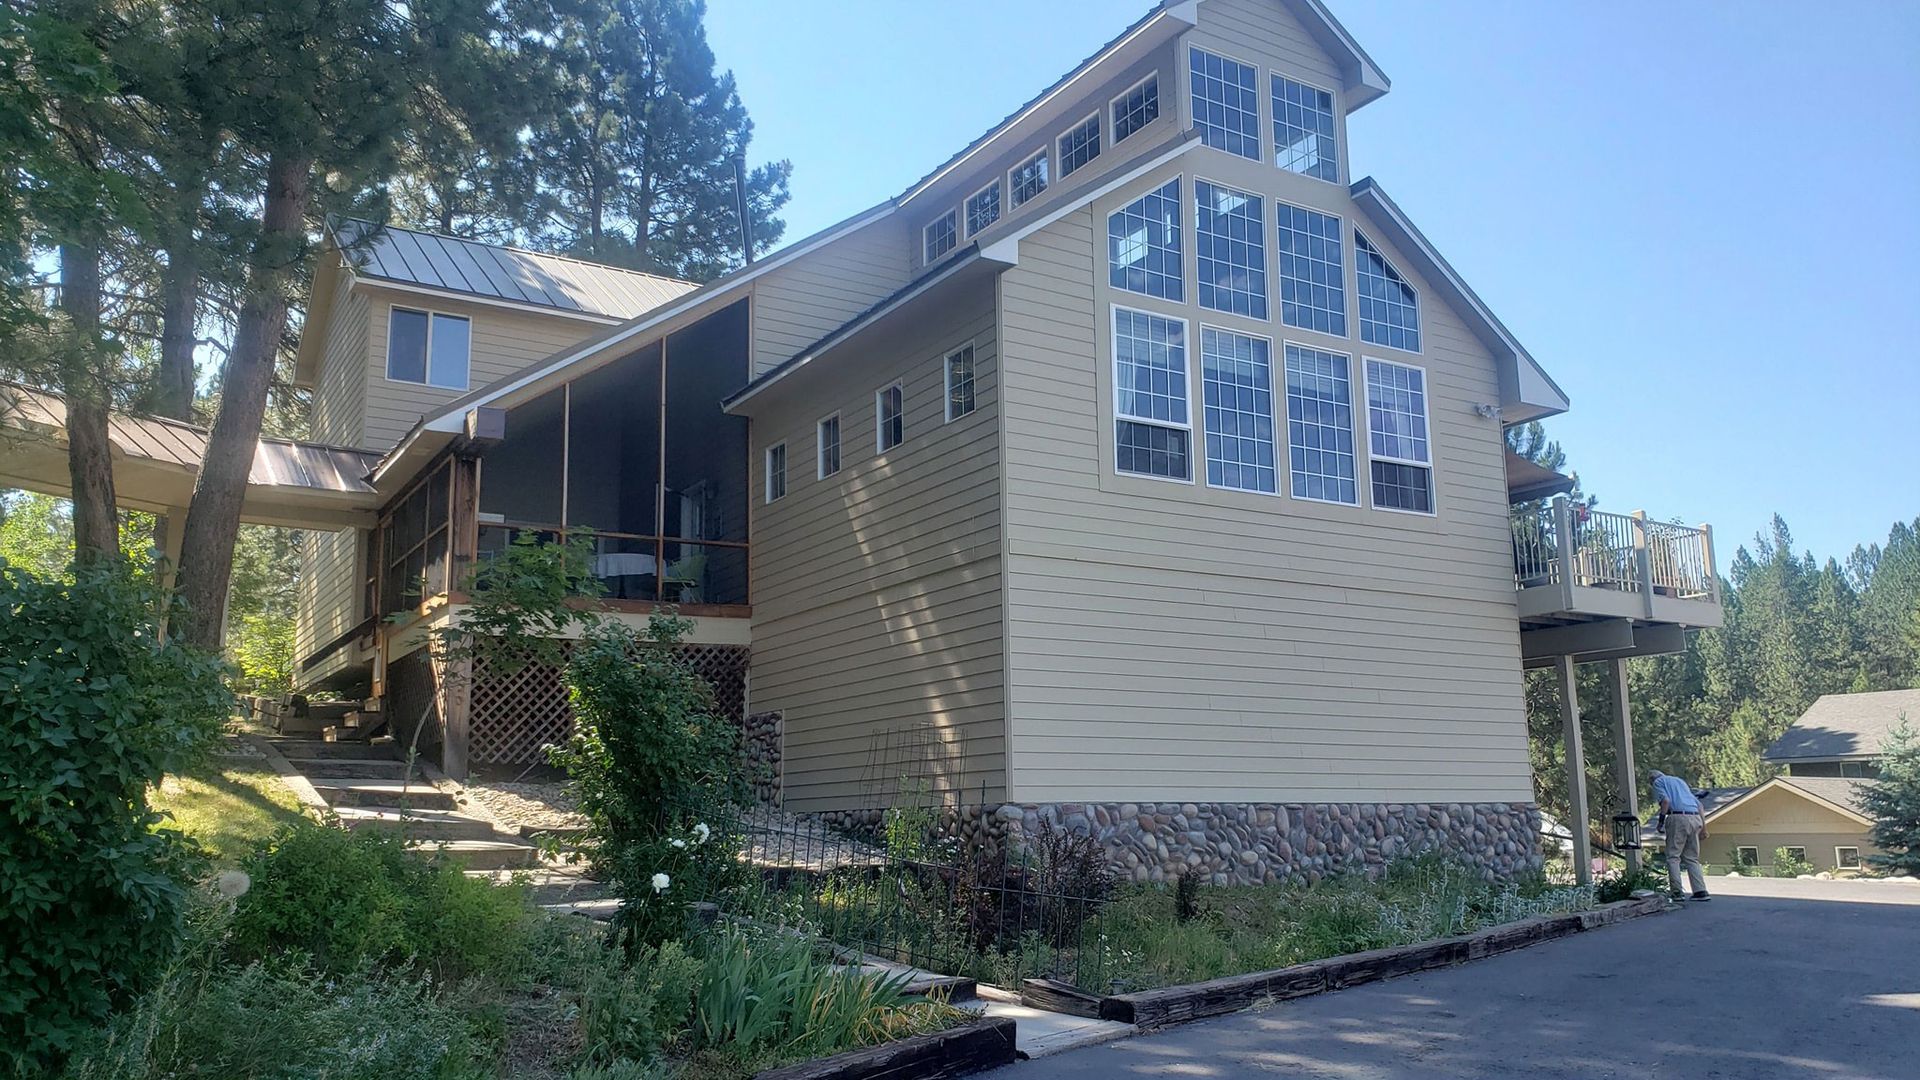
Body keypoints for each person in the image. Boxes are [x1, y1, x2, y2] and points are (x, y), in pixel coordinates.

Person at [1651, 769, 1710, 901]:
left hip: (1677, 817)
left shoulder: (1658, 782)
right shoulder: (1680, 781)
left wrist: (1660, 822)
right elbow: (1699, 805)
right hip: (1695, 818)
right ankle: (1700, 891)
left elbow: (1665, 801)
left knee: (1673, 856)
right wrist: (1704, 828)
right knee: (1692, 857)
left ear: (1652, 780)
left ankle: (1677, 892)